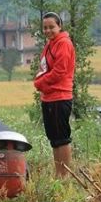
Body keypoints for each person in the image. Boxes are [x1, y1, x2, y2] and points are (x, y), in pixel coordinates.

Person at [33, 11, 75, 178]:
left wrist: (40, 83)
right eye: (45, 28)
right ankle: (58, 173)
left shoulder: (63, 43)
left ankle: (64, 175)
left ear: (60, 26)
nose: (48, 30)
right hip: (48, 96)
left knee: (62, 138)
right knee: (54, 138)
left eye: (52, 27)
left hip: (60, 96)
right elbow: (43, 68)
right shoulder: (49, 44)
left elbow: (60, 71)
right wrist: (40, 82)